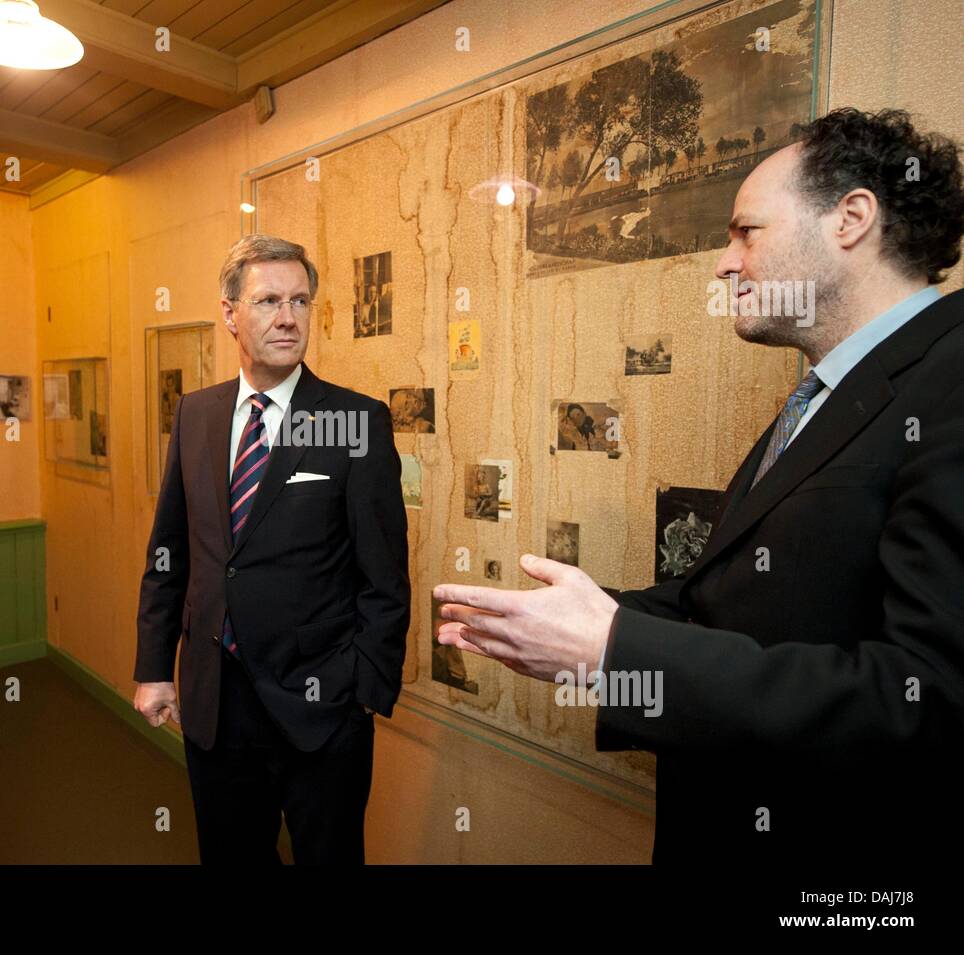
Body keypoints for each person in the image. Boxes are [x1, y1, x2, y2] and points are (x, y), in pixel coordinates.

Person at [433, 107, 964, 863]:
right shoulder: (833, 390)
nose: (723, 263)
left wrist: (616, 651)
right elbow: (738, 601)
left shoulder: (951, 378)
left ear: (851, 219)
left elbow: (931, 699)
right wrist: (573, 624)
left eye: (747, 232)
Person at [134, 233, 410, 864]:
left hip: (320, 705)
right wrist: (154, 666)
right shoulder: (196, 415)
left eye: (300, 301)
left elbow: (385, 578)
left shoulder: (356, 421)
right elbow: (169, 553)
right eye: (267, 301)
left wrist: (361, 693)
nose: (288, 317)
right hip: (215, 700)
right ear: (230, 313)